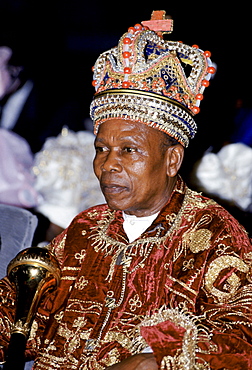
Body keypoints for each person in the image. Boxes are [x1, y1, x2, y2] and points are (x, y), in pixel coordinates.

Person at [0, 10, 251, 370]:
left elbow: (240, 339)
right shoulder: (86, 229)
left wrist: (154, 358)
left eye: (129, 150)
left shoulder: (213, 235)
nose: (108, 165)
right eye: (102, 149)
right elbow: (23, 311)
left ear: (172, 160)